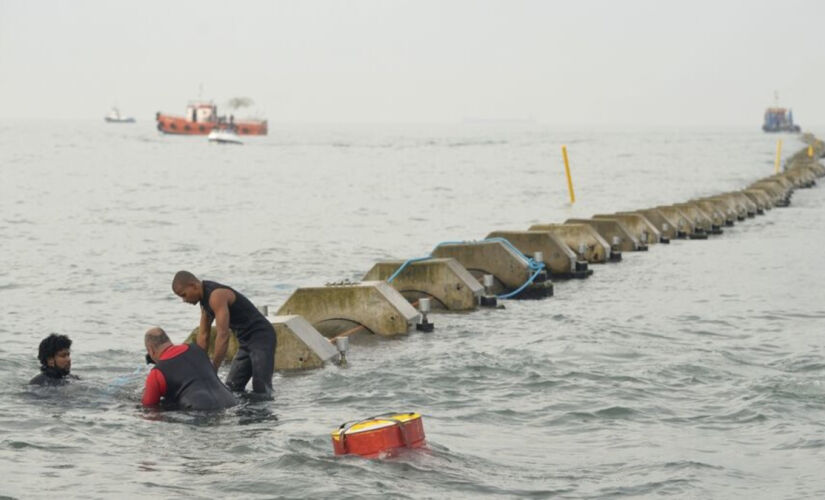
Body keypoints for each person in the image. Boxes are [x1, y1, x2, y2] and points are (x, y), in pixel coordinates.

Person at [172, 271, 276, 397]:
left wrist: (214, 369)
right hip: (245, 342)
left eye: (184, 295)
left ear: (193, 286)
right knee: (232, 387)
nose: (184, 300)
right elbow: (203, 336)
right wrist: (200, 367)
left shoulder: (216, 296)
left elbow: (223, 336)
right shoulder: (204, 302)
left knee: (262, 391)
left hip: (262, 338)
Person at [142, 327, 237, 410]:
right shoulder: (197, 350)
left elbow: (149, 408)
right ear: (169, 341)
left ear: (150, 350)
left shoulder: (156, 373)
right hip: (230, 401)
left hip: (199, 411)